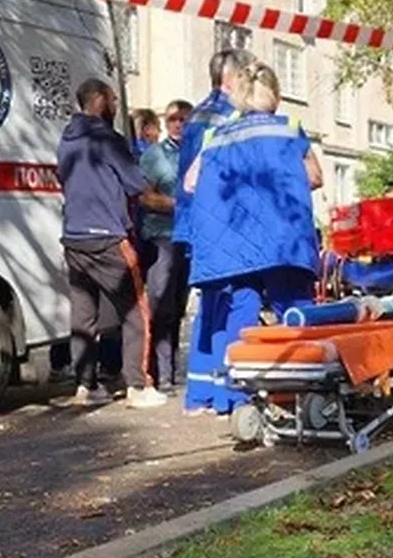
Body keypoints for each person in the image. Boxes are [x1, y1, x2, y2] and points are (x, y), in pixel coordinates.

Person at [183, 65, 323, 414]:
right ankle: (302, 392)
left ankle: (234, 398)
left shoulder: (216, 136)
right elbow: (315, 177)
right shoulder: (289, 129)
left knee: (239, 315)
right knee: (294, 312)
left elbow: (190, 183)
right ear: (274, 94)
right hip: (281, 240)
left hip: (233, 244)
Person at [58, 79, 169, 409]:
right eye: (115, 100)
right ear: (101, 101)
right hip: (107, 237)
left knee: (83, 315)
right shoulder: (108, 140)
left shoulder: (65, 140)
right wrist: (178, 202)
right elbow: (138, 187)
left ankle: (85, 386)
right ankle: (138, 385)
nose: (118, 106)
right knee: (136, 310)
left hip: (74, 238)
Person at [174, 49, 255, 409]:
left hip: (194, 222)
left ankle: (199, 393)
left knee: (209, 307)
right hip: (223, 223)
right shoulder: (230, 117)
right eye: (248, 76)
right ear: (233, 78)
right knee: (233, 303)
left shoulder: (196, 115)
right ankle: (227, 394)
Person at [138, 100, 191, 388]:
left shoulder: (199, 153)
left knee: (179, 305)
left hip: (190, 239)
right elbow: (144, 196)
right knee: (160, 302)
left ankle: (171, 368)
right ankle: (158, 372)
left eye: (184, 119)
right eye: (173, 119)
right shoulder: (155, 155)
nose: (179, 124)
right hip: (162, 236)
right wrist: (179, 204)